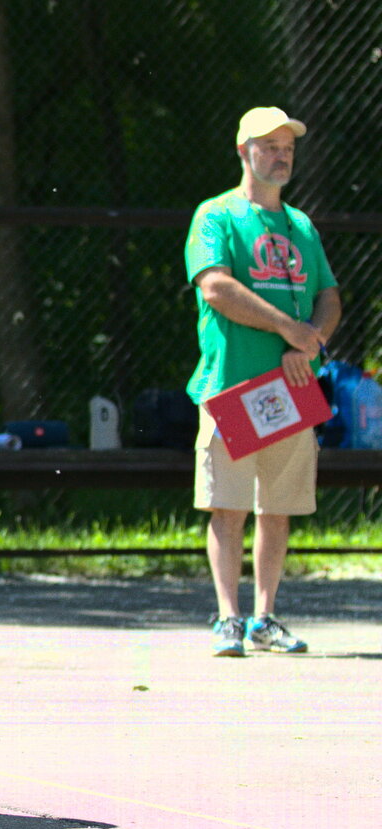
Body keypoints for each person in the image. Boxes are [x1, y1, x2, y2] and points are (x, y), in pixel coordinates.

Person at [184, 106, 341, 657]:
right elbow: (215, 288)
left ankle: (265, 617)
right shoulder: (217, 216)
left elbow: (329, 295)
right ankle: (229, 619)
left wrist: (312, 340)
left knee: (278, 507)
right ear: (243, 151)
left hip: (293, 389)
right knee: (229, 506)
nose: (281, 156)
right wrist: (287, 330)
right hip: (233, 384)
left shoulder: (300, 225)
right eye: (269, 146)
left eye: (288, 148)